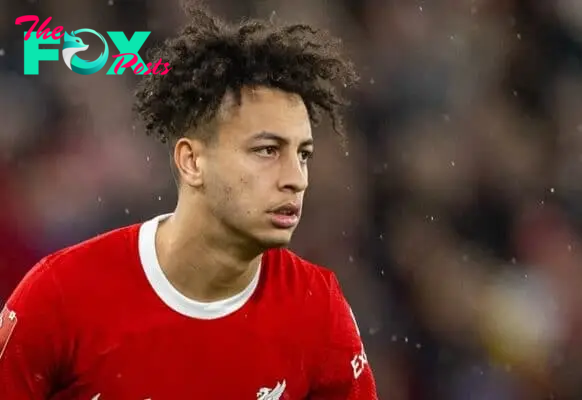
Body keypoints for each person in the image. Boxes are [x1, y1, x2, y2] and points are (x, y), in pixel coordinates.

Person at [0, 2, 378, 399]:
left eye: (303, 154)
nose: (295, 179)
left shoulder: (318, 307)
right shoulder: (60, 294)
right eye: (267, 150)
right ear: (192, 161)